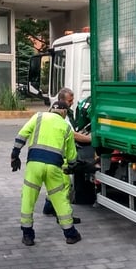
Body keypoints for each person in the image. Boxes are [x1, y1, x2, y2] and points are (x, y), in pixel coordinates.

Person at [12, 100, 82, 246]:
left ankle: (27, 235)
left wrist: (15, 155)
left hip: (34, 165)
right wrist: (71, 166)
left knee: (28, 199)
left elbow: (22, 135)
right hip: (54, 168)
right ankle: (70, 234)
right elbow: (72, 155)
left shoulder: (38, 116)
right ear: (63, 112)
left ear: (51, 109)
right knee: (60, 199)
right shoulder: (65, 126)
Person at [42, 87, 90, 218]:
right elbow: (72, 134)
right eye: (70, 100)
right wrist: (89, 138)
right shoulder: (61, 115)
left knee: (55, 185)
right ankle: (63, 214)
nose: (72, 102)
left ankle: (49, 207)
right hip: (59, 156)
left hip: (53, 155)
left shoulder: (61, 113)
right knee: (64, 185)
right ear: (62, 101)